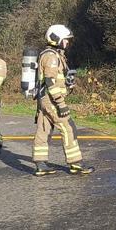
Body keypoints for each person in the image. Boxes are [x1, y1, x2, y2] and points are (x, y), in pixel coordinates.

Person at [32, 24, 93, 176]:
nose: (67, 43)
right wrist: (60, 104)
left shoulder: (52, 54)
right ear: (56, 39)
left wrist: (67, 83)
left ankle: (40, 164)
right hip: (51, 99)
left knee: (43, 129)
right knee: (68, 127)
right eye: (65, 40)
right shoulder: (52, 56)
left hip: (44, 98)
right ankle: (75, 163)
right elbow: (50, 81)